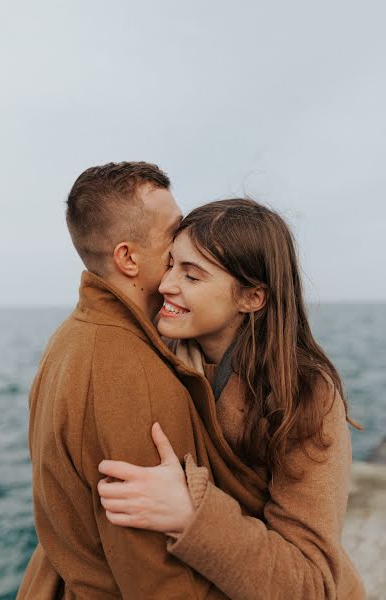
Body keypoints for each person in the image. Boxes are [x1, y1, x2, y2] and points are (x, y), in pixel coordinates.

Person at [97, 198, 367, 600]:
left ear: (251, 298)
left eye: (192, 275)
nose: (167, 284)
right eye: (171, 264)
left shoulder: (307, 396)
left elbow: (310, 584)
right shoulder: (157, 355)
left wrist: (192, 514)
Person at [18, 161, 242, 599]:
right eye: (173, 233)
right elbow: (160, 581)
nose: (185, 243)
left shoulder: (66, 342)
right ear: (127, 257)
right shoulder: (132, 375)